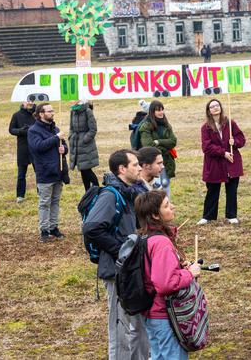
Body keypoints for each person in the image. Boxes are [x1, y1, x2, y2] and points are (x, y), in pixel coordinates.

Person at [82, 149, 149, 360]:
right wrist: (122, 251)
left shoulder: (129, 192)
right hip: (116, 271)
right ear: (122, 169)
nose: (140, 168)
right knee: (120, 327)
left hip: (130, 269)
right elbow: (92, 228)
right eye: (135, 164)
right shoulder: (111, 195)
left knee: (137, 324)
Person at [135, 190, 200, 360]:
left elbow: (153, 271)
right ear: (156, 215)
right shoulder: (162, 242)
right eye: (166, 205)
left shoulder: (145, 236)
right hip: (165, 315)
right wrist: (190, 274)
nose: (172, 207)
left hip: (151, 313)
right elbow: (164, 284)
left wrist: (179, 268)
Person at [198, 98, 246, 225]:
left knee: (231, 190)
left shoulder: (230, 123)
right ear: (209, 110)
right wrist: (223, 153)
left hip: (231, 163)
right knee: (212, 190)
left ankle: (231, 215)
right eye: (212, 106)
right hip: (214, 164)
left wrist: (234, 141)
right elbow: (206, 147)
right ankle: (208, 216)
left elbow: (242, 139)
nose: (215, 107)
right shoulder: (206, 128)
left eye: (217, 105)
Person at [27, 103, 67, 243]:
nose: (53, 113)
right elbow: (38, 147)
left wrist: (64, 149)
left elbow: (63, 146)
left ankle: (53, 227)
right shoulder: (33, 131)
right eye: (49, 111)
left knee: (55, 201)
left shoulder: (55, 129)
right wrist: (56, 138)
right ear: (41, 114)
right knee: (44, 202)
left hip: (58, 171)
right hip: (44, 172)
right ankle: (44, 230)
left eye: (53, 110)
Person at [139, 100, 177, 197]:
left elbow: (173, 141)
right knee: (155, 187)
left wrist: (159, 142)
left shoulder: (166, 125)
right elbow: (148, 146)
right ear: (152, 112)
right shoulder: (146, 126)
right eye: (158, 110)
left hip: (167, 161)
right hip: (152, 162)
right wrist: (165, 148)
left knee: (165, 184)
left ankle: (166, 207)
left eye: (162, 110)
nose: (161, 112)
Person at [69, 99, 99, 190]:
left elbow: (93, 129)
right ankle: (87, 191)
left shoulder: (87, 111)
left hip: (86, 145)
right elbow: (71, 127)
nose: (71, 101)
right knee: (82, 169)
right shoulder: (73, 111)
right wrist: (71, 136)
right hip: (76, 145)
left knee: (87, 169)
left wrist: (85, 140)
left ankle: (97, 188)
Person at [9, 99, 36, 202]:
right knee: (21, 174)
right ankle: (20, 195)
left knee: (38, 171)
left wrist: (32, 129)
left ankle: (41, 192)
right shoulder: (17, 115)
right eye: (27, 101)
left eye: (31, 101)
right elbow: (11, 129)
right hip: (23, 148)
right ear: (23, 102)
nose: (30, 103)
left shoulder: (37, 114)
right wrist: (21, 131)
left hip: (35, 146)